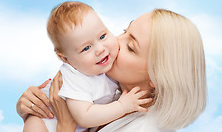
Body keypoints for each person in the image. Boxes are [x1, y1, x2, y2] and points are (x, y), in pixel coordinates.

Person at [17, 8, 207, 132]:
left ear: (157, 77)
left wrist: (65, 126)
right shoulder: (110, 93)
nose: (114, 42)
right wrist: (36, 107)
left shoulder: (144, 128)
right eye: (125, 31)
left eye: (131, 47)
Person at [23, 2, 152, 132]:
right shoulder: (75, 77)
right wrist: (122, 106)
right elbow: (85, 117)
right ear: (65, 59)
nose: (100, 49)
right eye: (86, 48)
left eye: (102, 36)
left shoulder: (105, 68)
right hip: (45, 119)